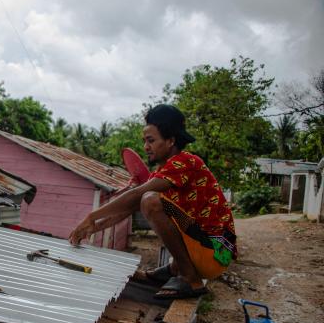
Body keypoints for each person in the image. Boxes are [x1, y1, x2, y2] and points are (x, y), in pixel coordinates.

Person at [69, 104, 237, 299]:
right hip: (206, 250)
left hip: (214, 253)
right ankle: (173, 270)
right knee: (146, 199)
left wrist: (92, 216)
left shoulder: (186, 161)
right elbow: (129, 207)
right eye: (145, 141)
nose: (145, 147)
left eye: (151, 140)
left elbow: (138, 196)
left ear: (170, 140)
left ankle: (190, 278)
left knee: (150, 200)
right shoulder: (163, 172)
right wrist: (92, 228)